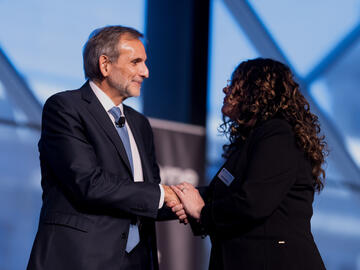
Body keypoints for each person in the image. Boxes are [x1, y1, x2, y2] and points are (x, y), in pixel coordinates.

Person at [27, 25, 184, 270]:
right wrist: (164, 195)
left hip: (137, 262)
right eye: (136, 62)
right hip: (78, 260)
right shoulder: (65, 108)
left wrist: (203, 200)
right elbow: (89, 183)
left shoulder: (140, 124)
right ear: (105, 65)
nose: (146, 72)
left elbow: (148, 198)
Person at [171, 58, 327, 270]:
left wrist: (201, 211)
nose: (226, 88)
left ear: (258, 91)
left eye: (236, 83)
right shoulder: (251, 140)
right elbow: (221, 195)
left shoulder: (278, 134)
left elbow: (253, 202)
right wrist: (175, 197)